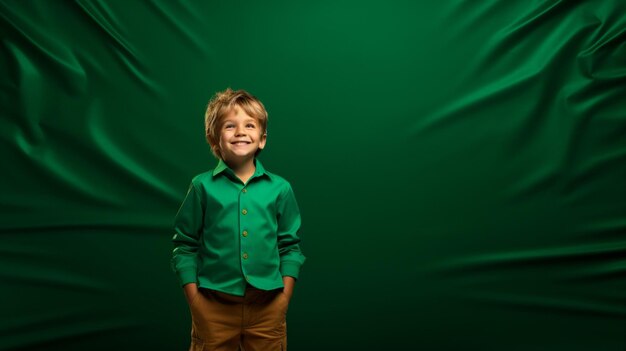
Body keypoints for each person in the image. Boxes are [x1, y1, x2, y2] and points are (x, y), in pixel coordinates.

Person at [171, 88, 306, 351]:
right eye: (230, 126)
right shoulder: (202, 187)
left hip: (267, 307)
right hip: (213, 306)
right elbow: (185, 245)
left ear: (262, 139)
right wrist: (195, 302)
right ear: (214, 140)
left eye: (250, 125)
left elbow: (290, 246)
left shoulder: (280, 189)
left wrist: (284, 298)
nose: (240, 132)